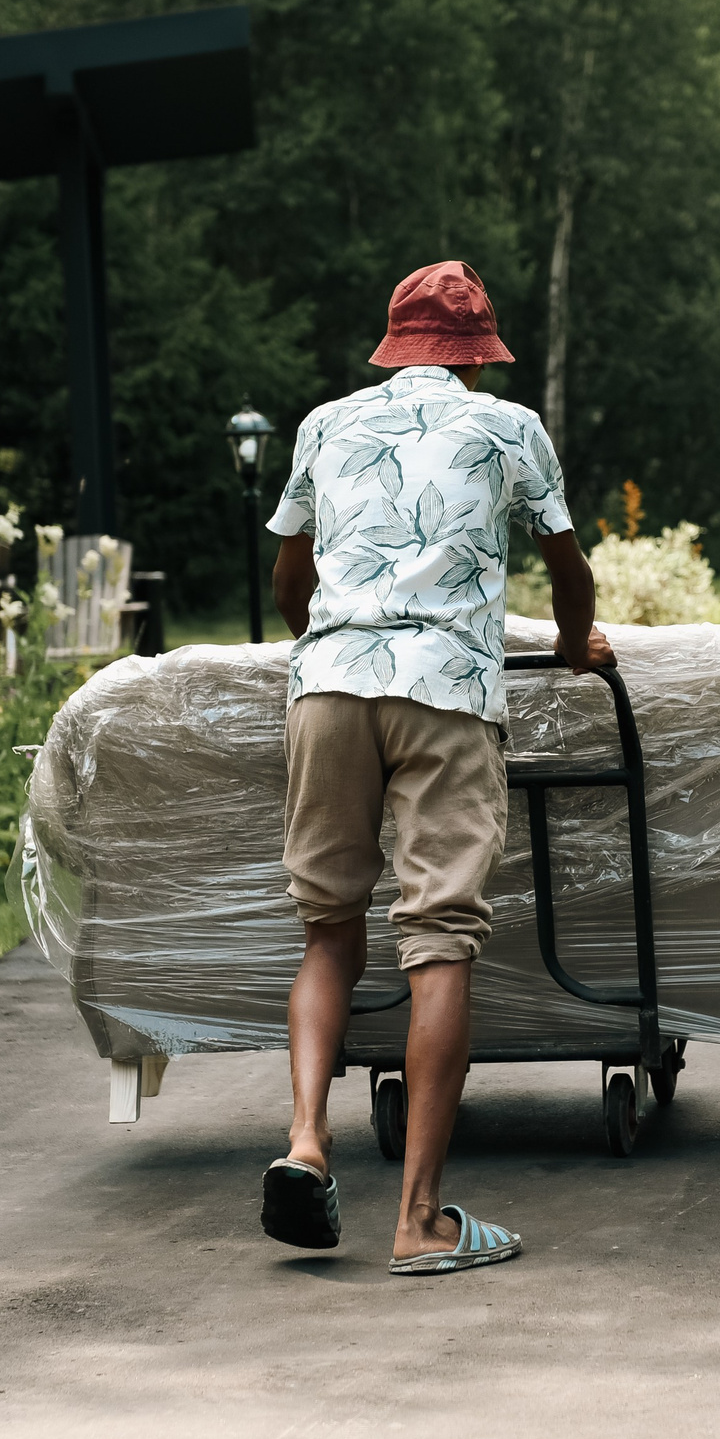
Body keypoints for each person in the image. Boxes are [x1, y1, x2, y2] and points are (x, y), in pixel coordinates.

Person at [260, 260, 611, 1275]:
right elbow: (565, 565)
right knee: (438, 940)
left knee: (329, 931)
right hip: (446, 694)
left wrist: (329, 646)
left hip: (328, 686)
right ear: (474, 352)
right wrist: (579, 642)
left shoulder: (325, 422)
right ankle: (418, 1220)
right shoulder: (508, 429)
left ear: (395, 341)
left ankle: (305, 1142)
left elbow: (289, 570)